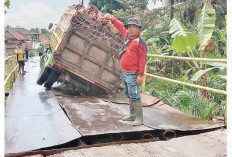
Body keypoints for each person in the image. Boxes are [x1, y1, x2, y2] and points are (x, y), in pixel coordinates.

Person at [104, 14, 147, 126]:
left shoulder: (140, 42)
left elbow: (143, 60)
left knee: (135, 94)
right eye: (129, 26)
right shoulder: (127, 36)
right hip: (125, 72)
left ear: (138, 28)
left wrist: (140, 75)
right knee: (128, 93)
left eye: (133, 26)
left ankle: (139, 118)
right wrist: (111, 18)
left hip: (133, 73)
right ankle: (132, 115)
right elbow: (120, 26)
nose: (131, 28)